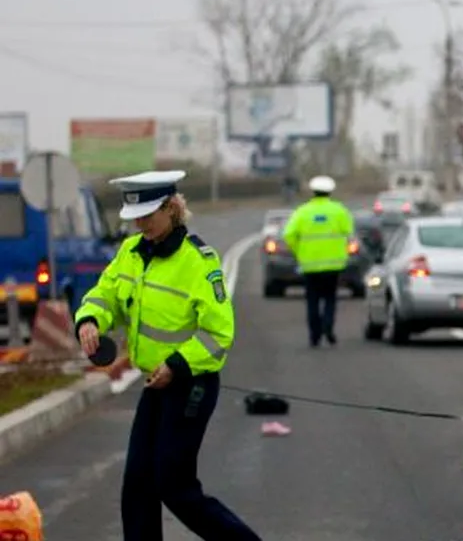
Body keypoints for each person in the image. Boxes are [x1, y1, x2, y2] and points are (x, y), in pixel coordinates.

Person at [73, 170, 261, 541]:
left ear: (172, 209)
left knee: (175, 487)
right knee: (138, 486)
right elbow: (104, 294)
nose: (140, 225)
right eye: (135, 218)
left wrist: (176, 366)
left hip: (191, 384)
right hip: (155, 385)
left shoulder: (198, 262)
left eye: (148, 216)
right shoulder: (131, 253)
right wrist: (90, 320)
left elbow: (218, 334)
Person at [283, 175, 354, 347]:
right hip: (334, 264)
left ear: (313, 191)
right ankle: (328, 327)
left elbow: (288, 235)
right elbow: (349, 232)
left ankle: (314, 335)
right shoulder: (339, 210)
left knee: (312, 300)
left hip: (309, 265)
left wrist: (299, 251)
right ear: (330, 191)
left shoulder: (303, 211)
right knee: (330, 298)